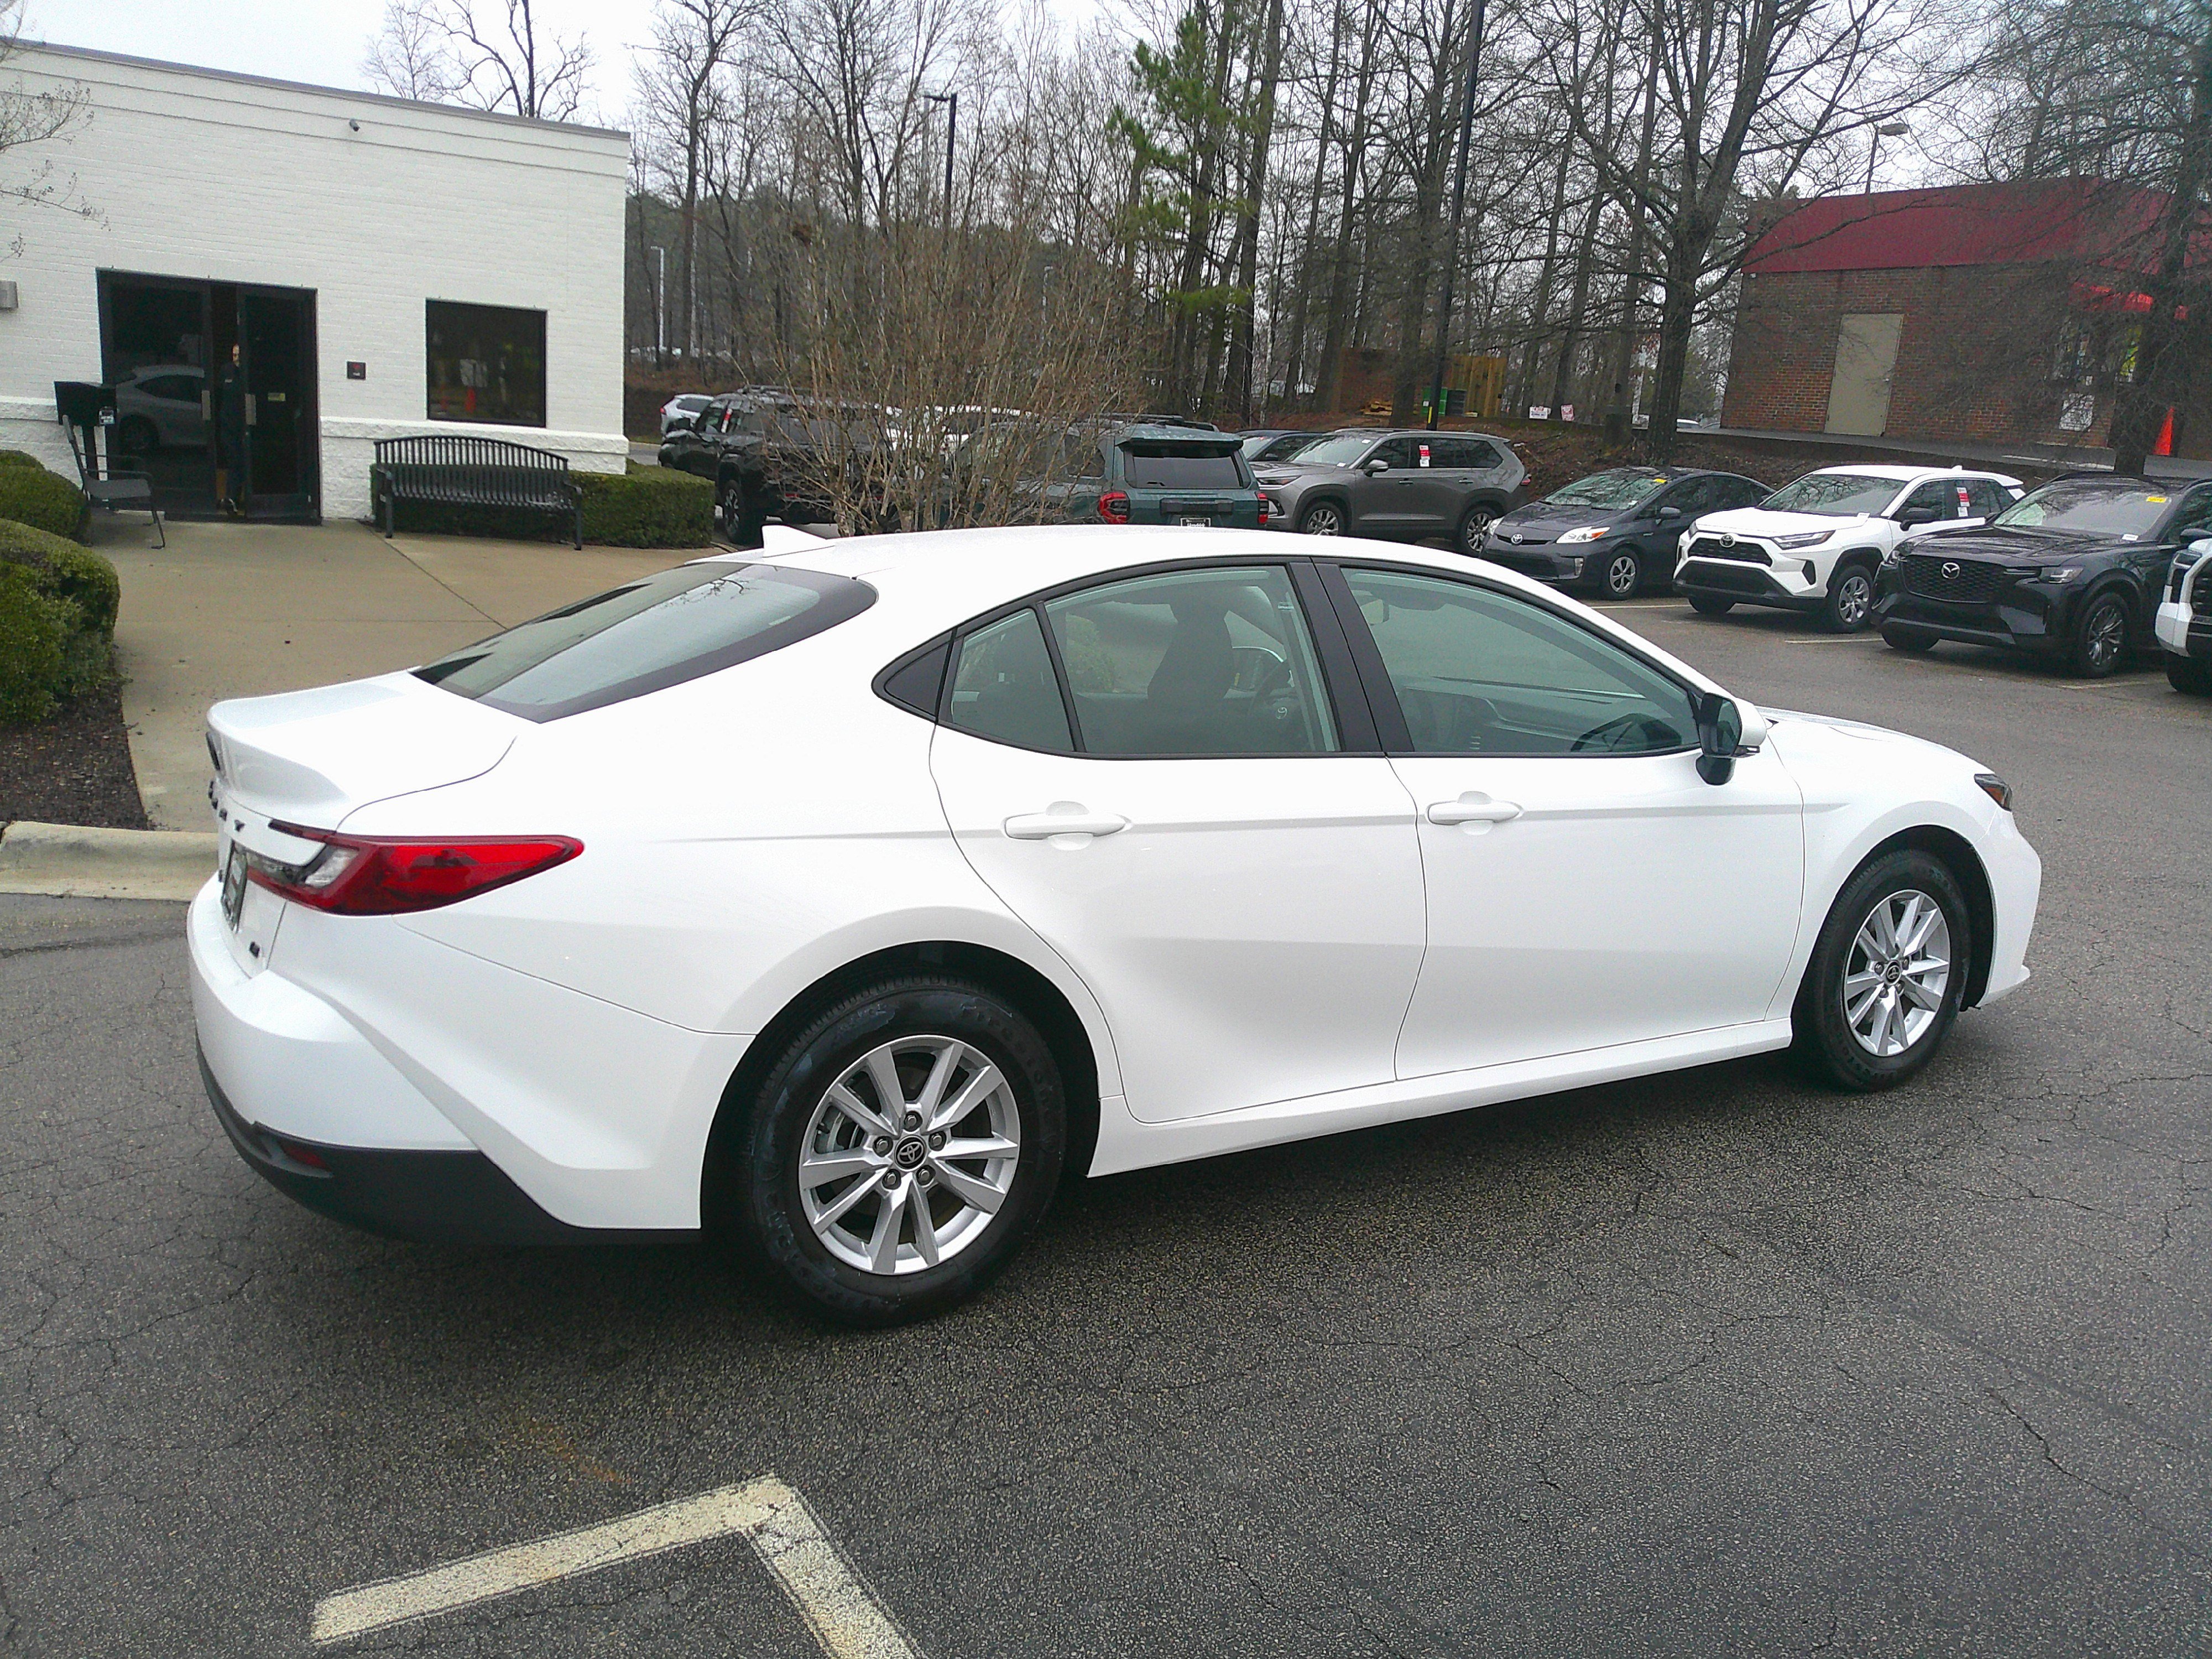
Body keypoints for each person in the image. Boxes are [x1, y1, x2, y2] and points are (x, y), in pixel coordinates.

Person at [214, 343, 246, 514]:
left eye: (239, 355)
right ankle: (231, 498)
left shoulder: (248, 372)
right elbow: (218, 396)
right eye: (234, 355)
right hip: (228, 427)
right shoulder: (226, 371)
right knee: (234, 463)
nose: (237, 359)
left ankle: (233, 497)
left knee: (241, 463)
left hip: (245, 427)